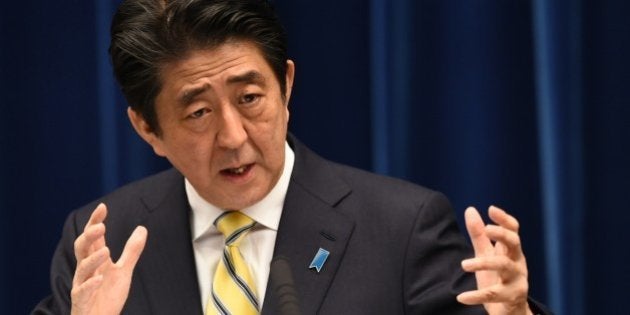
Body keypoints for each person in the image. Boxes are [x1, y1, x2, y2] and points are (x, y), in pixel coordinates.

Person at [33, 0, 551, 314]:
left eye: (250, 98)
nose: (234, 137)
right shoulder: (104, 241)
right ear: (148, 128)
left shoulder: (400, 228)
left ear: (286, 84)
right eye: (198, 113)